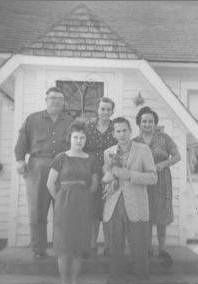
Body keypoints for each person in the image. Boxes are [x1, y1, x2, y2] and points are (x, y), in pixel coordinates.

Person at [15, 87, 73, 258]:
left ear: (63, 102)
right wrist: (19, 160)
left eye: (59, 98)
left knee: (63, 210)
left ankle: (61, 248)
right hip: (37, 167)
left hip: (63, 167)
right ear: (46, 99)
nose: (56, 101)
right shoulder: (32, 119)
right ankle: (38, 249)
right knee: (37, 210)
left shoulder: (70, 121)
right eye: (52, 97)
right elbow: (22, 141)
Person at [102, 117, 157, 284]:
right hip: (114, 205)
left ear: (130, 131)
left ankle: (142, 279)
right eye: (118, 131)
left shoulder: (143, 149)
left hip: (137, 205)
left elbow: (153, 178)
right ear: (113, 133)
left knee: (139, 248)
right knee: (115, 247)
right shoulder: (109, 152)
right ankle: (115, 279)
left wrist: (130, 175)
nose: (122, 134)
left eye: (125, 130)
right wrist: (109, 180)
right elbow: (108, 178)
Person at [47, 120, 98, 284]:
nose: (79, 141)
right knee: (64, 246)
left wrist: (82, 198)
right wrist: (61, 199)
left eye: (82, 138)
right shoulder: (60, 157)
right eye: (76, 137)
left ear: (86, 140)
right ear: (70, 138)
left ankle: (74, 281)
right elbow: (50, 184)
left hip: (83, 205)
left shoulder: (91, 159)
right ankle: (64, 281)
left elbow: (95, 185)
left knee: (78, 245)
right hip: (64, 206)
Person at [134, 106, 181, 266]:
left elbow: (177, 156)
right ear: (139, 124)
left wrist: (163, 164)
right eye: (144, 121)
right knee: (146, 215)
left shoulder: (164, 138)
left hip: (161, 181)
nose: (147, 124)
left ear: (155, 123)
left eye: (150, 121)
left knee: (161, 215)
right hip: (144, 183)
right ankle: (147, 249)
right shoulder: (135, 142)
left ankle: (162, 249)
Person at [84, 97, 117, 255]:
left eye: (108, 109)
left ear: (112, 111)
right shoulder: (88, 127)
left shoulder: (116, 128)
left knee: (109, 211)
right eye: (102, 109)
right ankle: (91, 245)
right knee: (92, 211)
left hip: (110, 175)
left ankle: (109, 246)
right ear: (97, 109)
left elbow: (122, 148)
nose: (105, 112)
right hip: (91, 174)